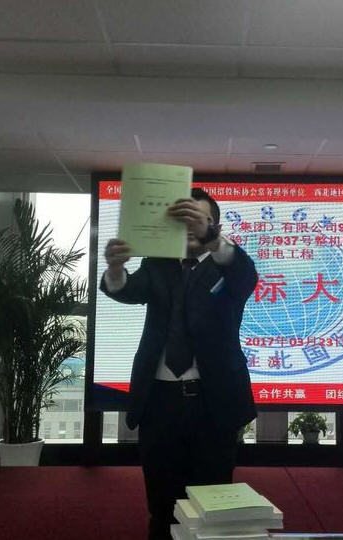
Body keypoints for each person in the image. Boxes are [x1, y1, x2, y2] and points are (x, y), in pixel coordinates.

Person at [101, 188, 258, 540]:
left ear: (214, 226)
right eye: (184, 221)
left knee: (211, 505)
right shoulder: (157, 264)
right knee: (162, 505)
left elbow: (246, 274)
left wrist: (212, 239)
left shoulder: (228, 267)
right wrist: (115, 267)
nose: (190, 228)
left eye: (198, 220)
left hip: (212, 404)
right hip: (159, 402)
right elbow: (126, 289)